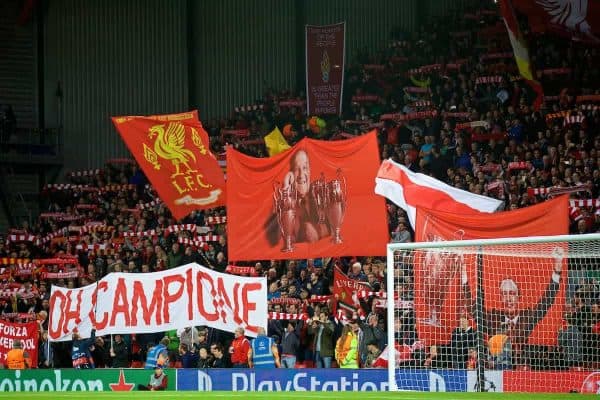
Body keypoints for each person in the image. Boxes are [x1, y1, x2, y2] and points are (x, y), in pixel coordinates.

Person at [462, 247, 563, 366]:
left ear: (518, 296)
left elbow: (546, 301)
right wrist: (464, 274)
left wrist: (557, 268)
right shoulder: (493, 318)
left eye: (512, 293)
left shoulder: (527, 317)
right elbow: (471, 309)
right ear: (500, 297)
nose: (508, 298)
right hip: (496, 365)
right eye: (504, 294)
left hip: (519, 367)